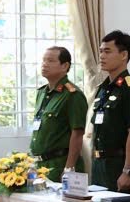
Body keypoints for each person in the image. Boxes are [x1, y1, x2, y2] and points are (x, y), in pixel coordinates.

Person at [89, 30, 130, 193]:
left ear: (124, 55)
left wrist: (128, 170)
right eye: (101, 51)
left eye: (107, 51)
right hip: (99, 164)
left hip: (118, 165)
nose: (102, 56)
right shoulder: (102, 88)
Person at [30, 45, 87, 183]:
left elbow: (77, 134)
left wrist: (69, 168)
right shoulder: (41, 93)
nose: (44, 64)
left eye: (50, 61)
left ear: (65, 66)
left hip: (60, 164)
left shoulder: (72, 94)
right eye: (43, 60)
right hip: (41, 165)